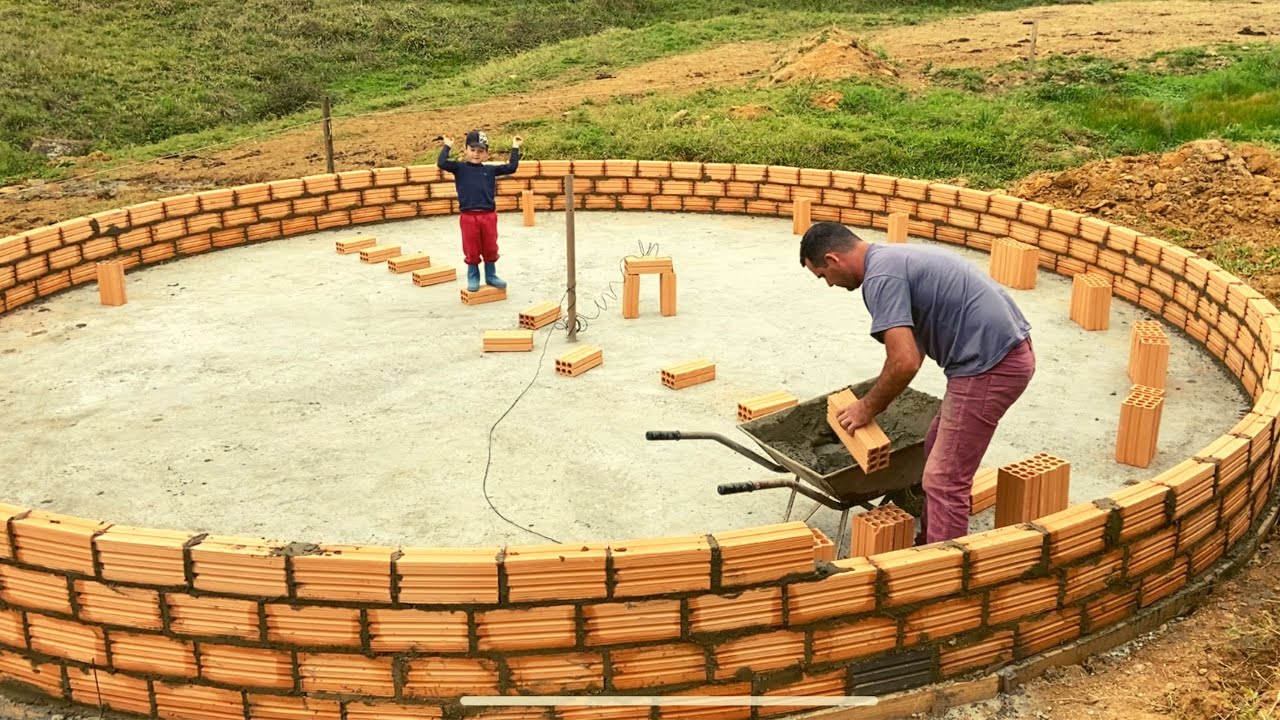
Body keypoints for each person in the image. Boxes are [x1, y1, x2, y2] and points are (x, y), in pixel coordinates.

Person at [799, 221, 1036, 545]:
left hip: (990, 366)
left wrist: (867, 406)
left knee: (943, 479)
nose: (828, 284)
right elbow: (914, 348)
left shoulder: (880, 279)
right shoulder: (892, 259)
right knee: (936, 444)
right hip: (1003, 351)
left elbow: (905, 361)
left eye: (823, 276)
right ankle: (936, 534)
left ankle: (941, 570)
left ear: (833, 260)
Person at [437, 130, 523, 291]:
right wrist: (447, 145)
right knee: (471, 248)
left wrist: (515, 147)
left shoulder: (490, 170)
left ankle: (491, 275)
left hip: (488, 216)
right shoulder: (459, 168)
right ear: (466, 149)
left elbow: (512, 167)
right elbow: (442, 163)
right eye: (473, 150)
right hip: (469, 217)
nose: (476, 154)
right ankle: (473, 276)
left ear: (486, 154)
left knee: (490, 247)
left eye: (481, 151)